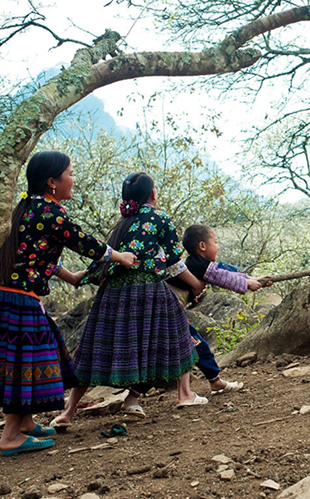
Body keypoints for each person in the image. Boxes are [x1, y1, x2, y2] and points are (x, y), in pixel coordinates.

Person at [0, 150, 137, 456]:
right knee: (24, 364)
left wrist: (72, 277)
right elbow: (81, 240)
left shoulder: (26, 208)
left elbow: (35, 254)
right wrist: (119, 256)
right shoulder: (51, 212)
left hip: (0, 297)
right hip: (18, 300)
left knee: (28, 359)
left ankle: (25, 423)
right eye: (70, 173)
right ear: (52, 182)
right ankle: (10, 436)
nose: (73, 179)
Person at [51, 172, 207, 428]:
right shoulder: (159, 218)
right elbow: (174, 261)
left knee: (96, 347)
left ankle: (68, 411)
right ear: (153, 194)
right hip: (147, 289)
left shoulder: (122, 223)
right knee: (179, 335)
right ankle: (185, 394)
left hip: (112, 292)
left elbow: (104, 257)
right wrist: (196, 284)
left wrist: (81, 277)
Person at [177, 224, 272, 394]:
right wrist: (247, 283)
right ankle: (212, 382)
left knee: (195, 346)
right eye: (215, 242)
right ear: (202, 246)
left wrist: (254, 279)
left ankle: (214, 382)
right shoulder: (198, 265)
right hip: (170, 314)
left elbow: (225, 273)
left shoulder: (198, 264)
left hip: (174, 314)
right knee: (198, 345)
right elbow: (222, 277)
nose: (218, 246)